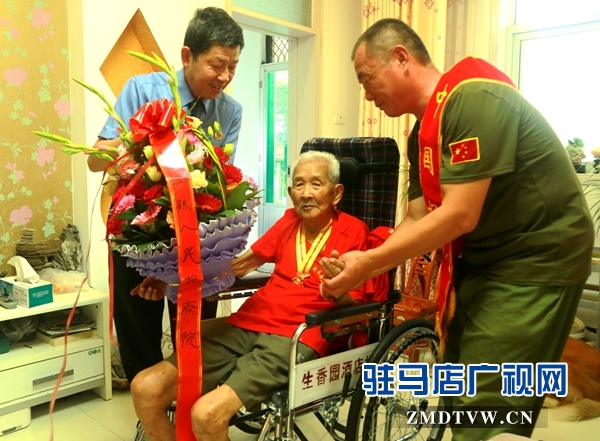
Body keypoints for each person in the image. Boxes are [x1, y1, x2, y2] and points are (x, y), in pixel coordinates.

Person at [320, 18, 594, 441]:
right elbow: (418, 216)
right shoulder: (421, 134)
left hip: (535, 259)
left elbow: (460, 214)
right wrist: (368, 264)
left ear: (401, 57)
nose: (367, 94)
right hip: (483, 258)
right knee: (456, 380)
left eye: (367, 78)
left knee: (487, 397)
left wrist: (369, 263)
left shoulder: (473, 96)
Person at [129, 151, 373, 441]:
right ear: (290, 192)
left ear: (336, 193)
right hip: (249, 322)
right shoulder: (288, 221)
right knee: (144, 387)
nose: (306, 193)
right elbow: (240, 265)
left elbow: (359, 312)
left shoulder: (354, 232)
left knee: (206, 414)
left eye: (316, 184)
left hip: (298, 334)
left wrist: (337, 291)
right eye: (299, 184)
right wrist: (169, 280)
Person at [88, 7, 245, 384]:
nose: (225, 76)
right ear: (187, 56)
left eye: (233, 67)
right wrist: (142, 141)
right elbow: (95, 160)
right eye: (217, 64)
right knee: (137, 328)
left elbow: (222, 180)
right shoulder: (142, 90)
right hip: (137, 232)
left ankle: (189, 400)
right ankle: (148, 404)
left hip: (196, 238)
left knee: (194, 329)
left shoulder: (230, 111)